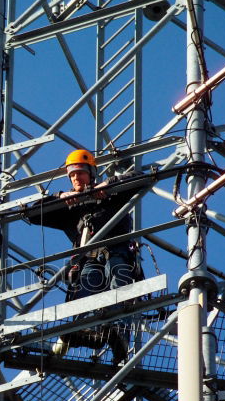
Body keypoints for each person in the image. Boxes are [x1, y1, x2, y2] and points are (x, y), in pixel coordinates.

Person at [23, 148, 146, 361]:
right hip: (87, 259)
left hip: (116, 250)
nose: (75, 178)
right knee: (86, 287)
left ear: (91, 173)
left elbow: (141, 178)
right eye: (72, 175)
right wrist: (60, 197)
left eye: (79, 173)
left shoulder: (113, 194)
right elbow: (32, 214)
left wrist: (109, 185)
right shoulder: (71, 208)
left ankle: (118, 332)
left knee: (119, 283)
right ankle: (81, 328)